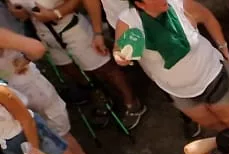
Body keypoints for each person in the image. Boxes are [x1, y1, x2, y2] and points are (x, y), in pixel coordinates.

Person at [109, 0, 229, 139]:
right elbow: (118, 49)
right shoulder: (129, 22)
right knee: (215, 125)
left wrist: (223, 47)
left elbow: (208, 18)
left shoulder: (179, 4)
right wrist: (120, 57)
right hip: (181, 94)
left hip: (214, 78)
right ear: (140, 4)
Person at [14, 0, 145, 125]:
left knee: (104, 68)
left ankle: (132, 103)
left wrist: (56, 14)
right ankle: (101, 98)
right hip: (44, 36)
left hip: (72, 29)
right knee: (70, 70)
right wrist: (21, 13)